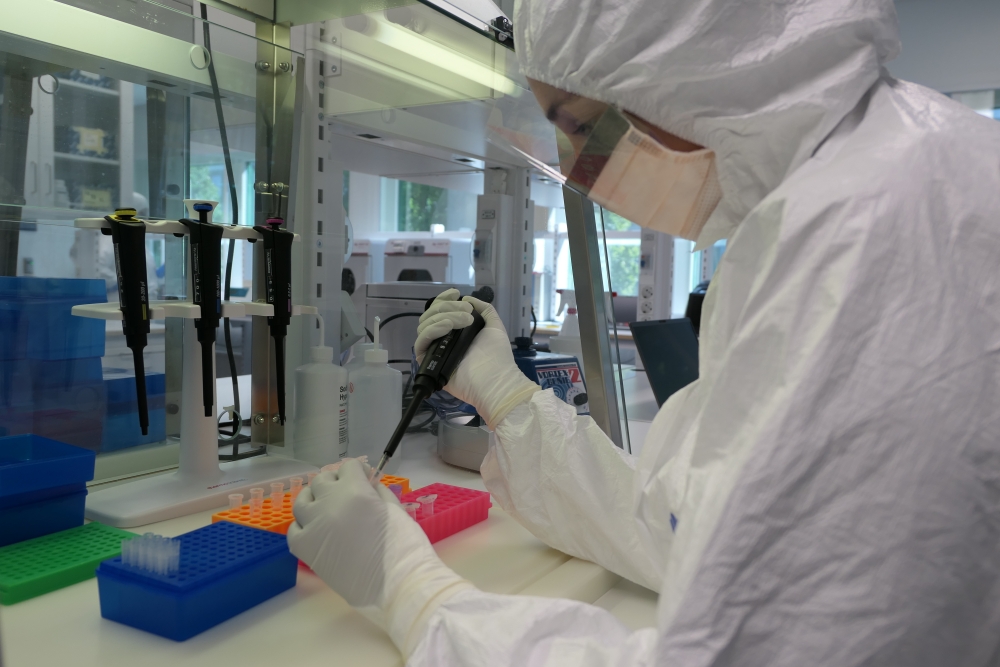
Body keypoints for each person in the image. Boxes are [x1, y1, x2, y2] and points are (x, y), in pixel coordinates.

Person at [288, 0, 1000, 663]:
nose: (577, 168)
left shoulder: (869, 232)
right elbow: (683, 520)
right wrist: (509, 400)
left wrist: (417, 594)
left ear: (694, 61)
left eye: (578, 125)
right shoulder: (864, 184)